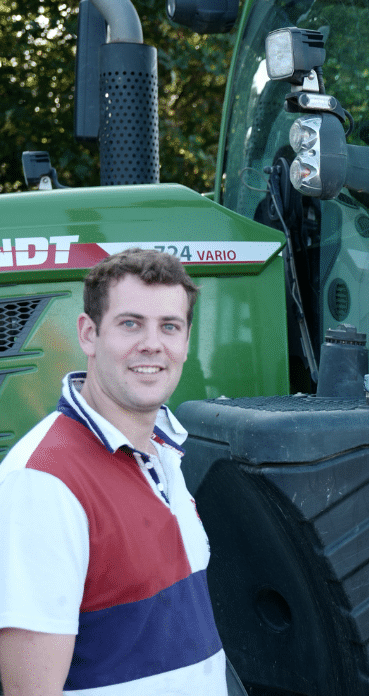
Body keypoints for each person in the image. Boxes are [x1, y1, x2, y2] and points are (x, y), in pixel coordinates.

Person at [0, 248, 227, 695]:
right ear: (88, 333)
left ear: (185, 341)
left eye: (169, 327)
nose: (152, 344)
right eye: (130, 324)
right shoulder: (45, 480)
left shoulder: (164, 452)